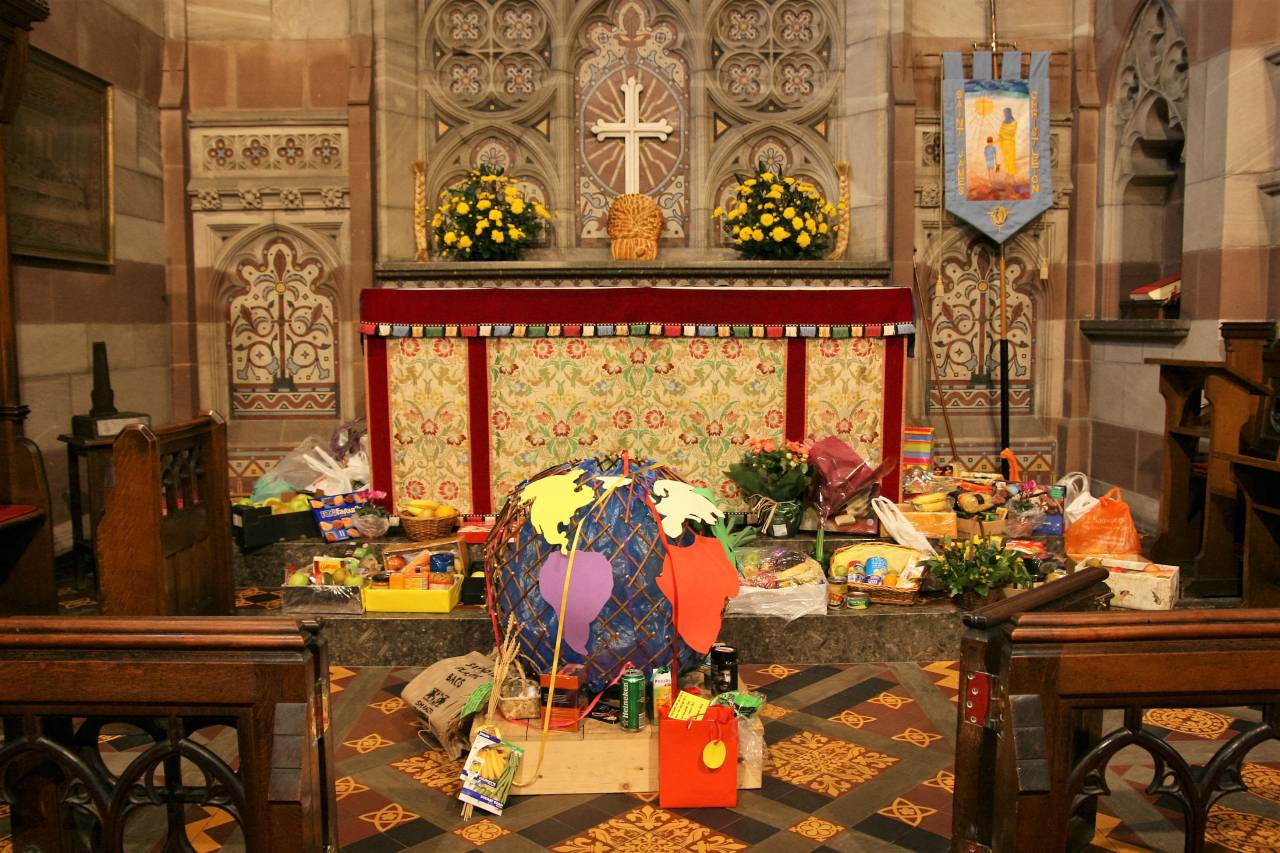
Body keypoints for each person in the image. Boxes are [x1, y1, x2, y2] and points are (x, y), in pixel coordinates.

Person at [997, 107, 1018, 179]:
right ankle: (1008, 174)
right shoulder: (1008, 122)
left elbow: (1004, 133)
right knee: (1008, 159)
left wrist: (1002, 135)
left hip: (1008, 143)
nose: (1004, 114)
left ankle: (1011, 175)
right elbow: (1001, 133)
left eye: (1005, 113)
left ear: (1008, 113)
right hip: (1007, 144)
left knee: (1010, 159)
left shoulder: (1010, 122)